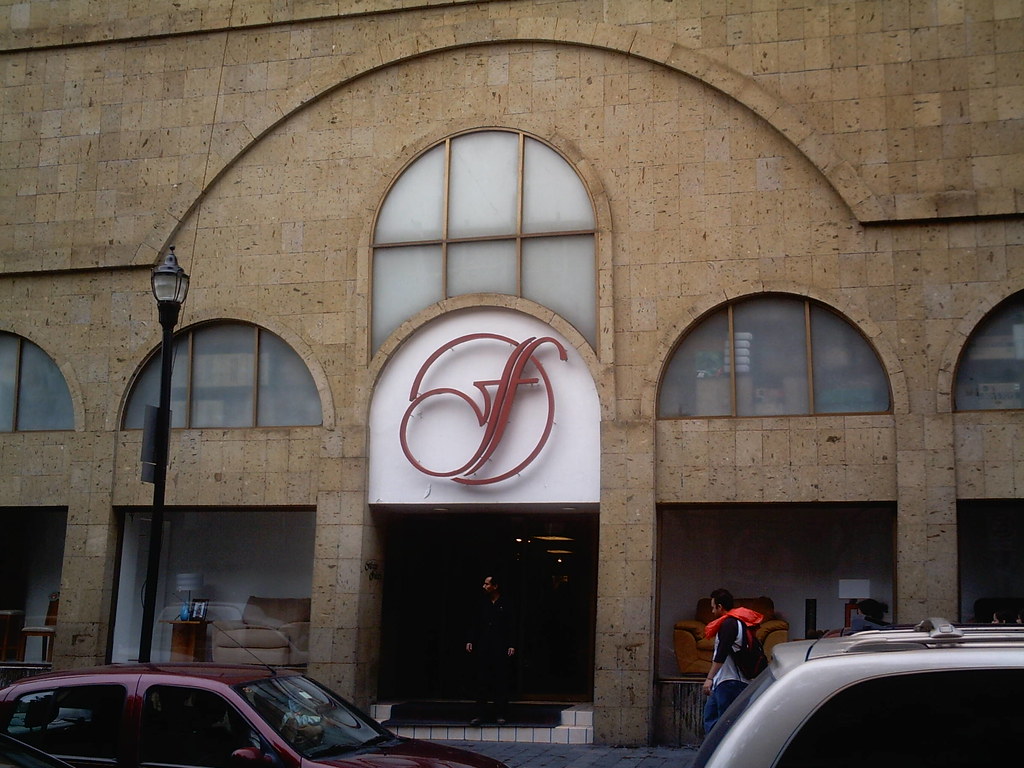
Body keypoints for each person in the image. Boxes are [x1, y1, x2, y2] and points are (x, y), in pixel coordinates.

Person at [701, 588, 763, 735]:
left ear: (720, 607)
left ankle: (722, 754)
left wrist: (709, 678)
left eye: (713, 607)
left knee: (724, 725)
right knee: (711, 720)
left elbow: (721, 653)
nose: (712, 611)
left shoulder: (729, 624)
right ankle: (713, 753)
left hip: (730, 682)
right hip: (723, 681)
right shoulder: (735, 623)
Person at [465, 574, 516, 725]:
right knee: (482, 680)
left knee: (500, 679)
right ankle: (480, 714)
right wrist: (470, 639)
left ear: (495, 586)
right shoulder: (482, 603)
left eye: (487, 584)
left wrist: (512, 644)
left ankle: (500, 713)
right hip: (483, 645)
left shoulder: (506, 603)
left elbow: (511, 624)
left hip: (500, 646)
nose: (484, 586)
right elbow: (474, 622)